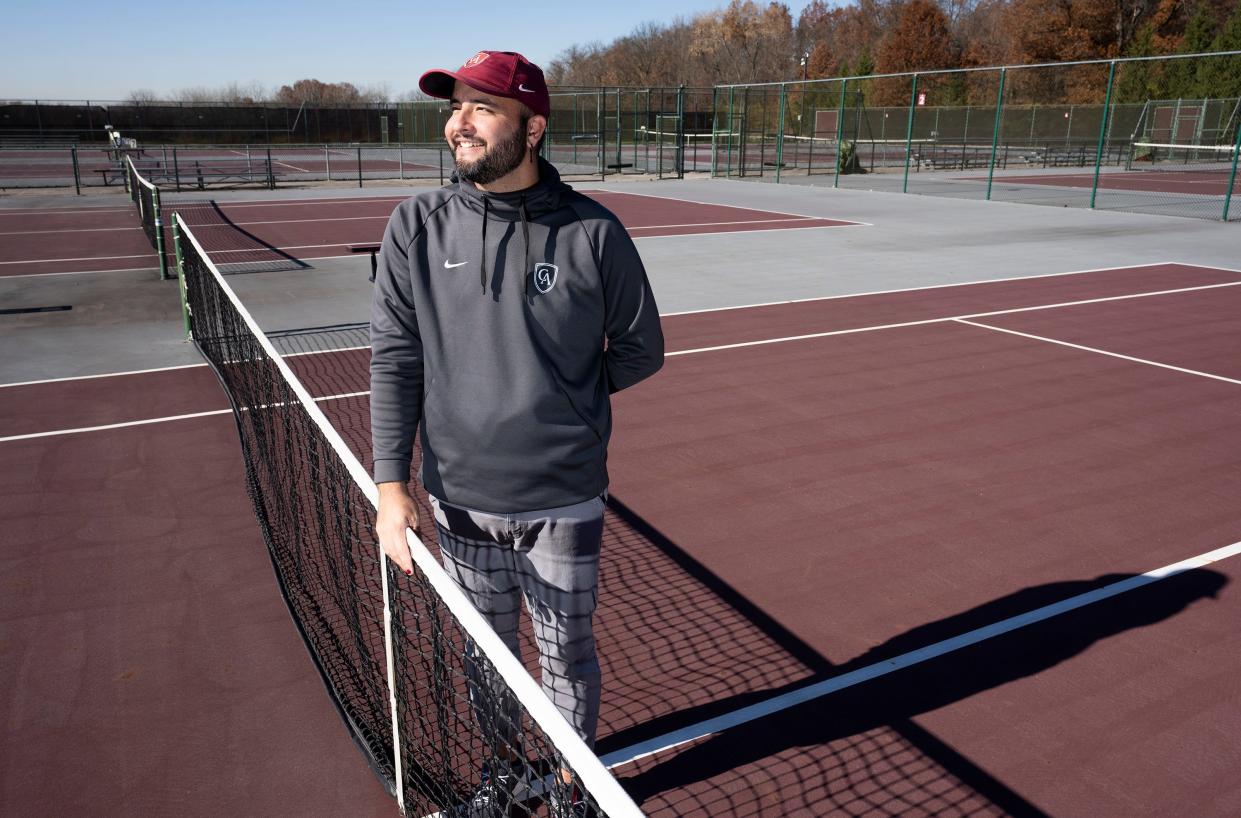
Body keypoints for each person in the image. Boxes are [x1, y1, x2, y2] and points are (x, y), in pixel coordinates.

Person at [370, 50, 664, 816]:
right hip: (458, 498)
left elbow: (641, 348)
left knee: (565, 655)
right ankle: (504, 771)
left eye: (481, 108)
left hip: (563, 498)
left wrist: (559, 398)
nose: (458, 123)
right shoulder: (414, 225)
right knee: (486, 656)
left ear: (532, 129)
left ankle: (573, 788)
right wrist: (390, 489)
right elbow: (394, 359)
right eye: (454, 106)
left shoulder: (593, 234)